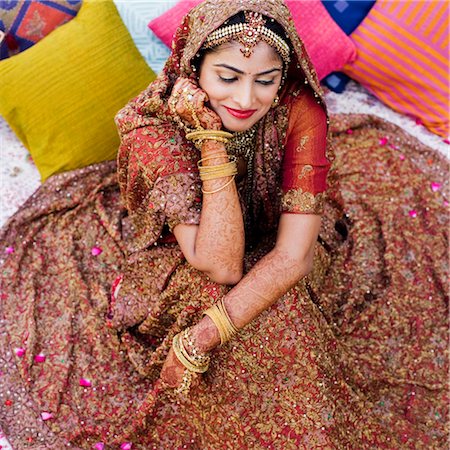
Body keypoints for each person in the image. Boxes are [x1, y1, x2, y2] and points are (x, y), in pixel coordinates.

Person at [0, 1, 447, 449]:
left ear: (284, 76)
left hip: (282, 242)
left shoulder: (299, 106)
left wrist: (203, 336)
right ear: (195, 70)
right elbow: (221, 264)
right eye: (228, 77)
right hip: (187, 258)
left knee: (286, 318)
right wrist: (212, 142)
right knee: (259, 326)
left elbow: (293, 255)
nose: (246, 99)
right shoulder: (154, 127)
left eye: (265, 80)